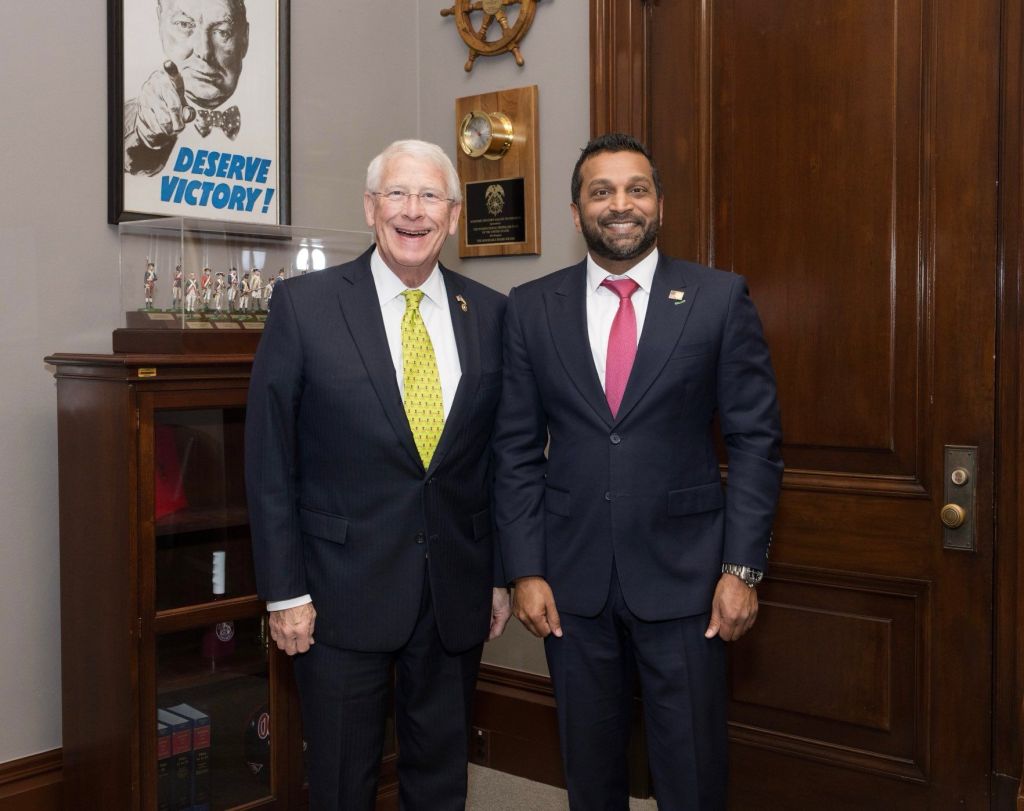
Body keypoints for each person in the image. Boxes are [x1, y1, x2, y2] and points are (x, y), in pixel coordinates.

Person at [493, 133, 783, 809]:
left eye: (636, 189)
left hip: (689, 580)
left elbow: (755, 443)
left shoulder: (718, 298)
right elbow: (513, 450)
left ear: (660, 205)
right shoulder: (531, 307)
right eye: (602, 191)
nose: (620, 204)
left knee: (691, 771)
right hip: (570, 583)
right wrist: (524, 569)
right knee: (590, 773)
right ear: (576, 212)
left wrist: (742, 570)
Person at [245, 139, 511, 810]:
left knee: (441, 778)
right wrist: (283, 591)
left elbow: (499, 457)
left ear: (453, 215)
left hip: (453, 592)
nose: (413, 212)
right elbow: (270, 459)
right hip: (337, 595)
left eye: (430, 197)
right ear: (370, 207)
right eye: (397, 194)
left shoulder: (490, 312)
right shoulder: (304, 305)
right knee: (341, 781)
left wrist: (500, 574)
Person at [124, 0, 249, 175]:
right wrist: (146, 137)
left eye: (222, 32)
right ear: (160, 23)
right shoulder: (130, 117)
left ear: (244, 39)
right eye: (184, 25)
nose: (204, 51)